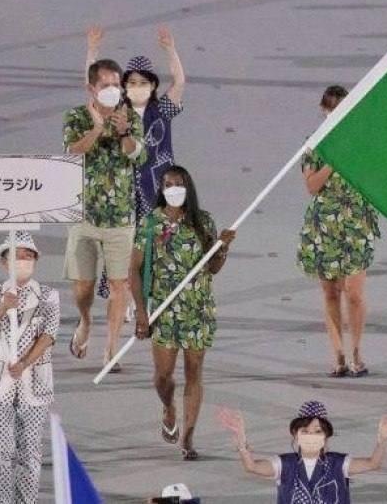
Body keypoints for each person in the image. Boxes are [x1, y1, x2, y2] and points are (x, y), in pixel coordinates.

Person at [130, 165, 235, 460]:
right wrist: (141, 312)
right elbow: (134, 270)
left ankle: (188, 437)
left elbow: (211, 268)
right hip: (164, 312)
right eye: (168, 183)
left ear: (188, 186)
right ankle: (168, 406)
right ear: (161, 189)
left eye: (179, 182)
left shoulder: (202, 222)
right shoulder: (150, 223)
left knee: (194, 372)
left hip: (197, 310)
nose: (174, 187)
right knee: (163, 377)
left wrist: (222, 248)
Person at [86, 25, 185, 309]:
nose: (137, 88)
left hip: (156, 189)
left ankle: (154, 292)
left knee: (157, 241)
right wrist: (92, 50)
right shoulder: (116, 113)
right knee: (123, 245)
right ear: (124, 87)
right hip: (126, 189)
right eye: (131, 83)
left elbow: (179, 82)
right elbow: (92, 87)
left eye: (143, 82)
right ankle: (125, 296)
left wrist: (170, 49)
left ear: (153, 85)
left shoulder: (161, 111)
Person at [63, 58, 145, 372]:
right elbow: (73, 151)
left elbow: (139, 154)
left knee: (119, 285)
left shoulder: (130, 118)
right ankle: (85, 322)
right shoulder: (75, 116)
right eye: (105, 85)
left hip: (121, 220)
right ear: (91, 88)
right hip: (84, 216)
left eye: (116, 84)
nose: (112, 90)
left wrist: (124, 132)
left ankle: (111, 350)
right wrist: (98, 127)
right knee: (83, 288)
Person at [297, 85, 381, 377]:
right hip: (324, 226)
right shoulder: (314, 144)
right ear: (324, 111)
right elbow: (311, 186)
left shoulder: (365, 143)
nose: (335, 115)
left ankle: (357, 351)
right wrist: (334, 160)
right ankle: (338, 356)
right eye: (331, 110)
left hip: (356, 223)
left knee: (354, 293)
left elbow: (375, 177)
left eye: (341, 109)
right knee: (331, 291)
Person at [0, 231, 60, 503]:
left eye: (28, 255)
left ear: (36, 260)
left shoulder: (48, 295)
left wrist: (24, 363)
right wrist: (4, 306)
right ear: (4, 263)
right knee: (0, 448)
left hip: (34, 383)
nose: (23, 260)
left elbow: (49, 335)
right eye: (16, 255)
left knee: (30, 451)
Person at [217, 400, 387, 504]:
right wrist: (241, 441)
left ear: (326, 436)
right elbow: (252, 467)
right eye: (305, 431)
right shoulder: (285, 464)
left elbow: (373, 463)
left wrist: (382, 440)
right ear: (295, 434)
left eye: (317, 431)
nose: (311, 436)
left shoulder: (339, 463)